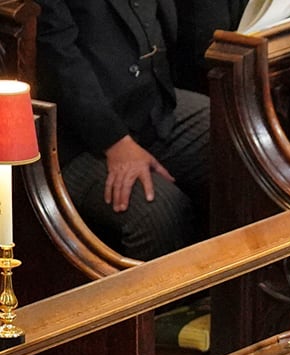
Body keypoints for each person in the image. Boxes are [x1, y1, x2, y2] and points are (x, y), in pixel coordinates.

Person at [36, 0, 209, 259]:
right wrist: (115, 141)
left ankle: (235, 280)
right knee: (158, 213)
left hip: (151, 103)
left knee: (235, 140)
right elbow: (57, 58)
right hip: (75, 138)